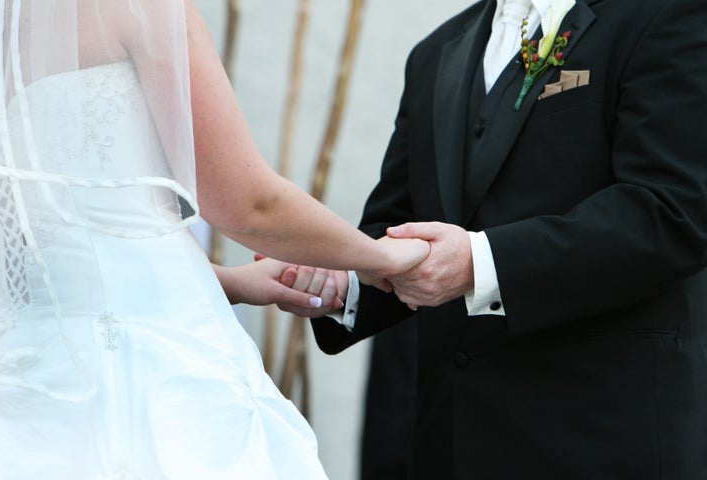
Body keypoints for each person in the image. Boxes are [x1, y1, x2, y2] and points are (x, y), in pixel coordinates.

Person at [0, 0, 428, 478]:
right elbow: (247, 205)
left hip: (31, 371)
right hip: (160, 367)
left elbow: (36, 254)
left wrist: (225, 280)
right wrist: (378, 256)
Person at [274, 0, 707, 478]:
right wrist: (342, 279)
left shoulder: (665, 14)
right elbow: (398, 223)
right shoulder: (435, 53)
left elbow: (672, 210)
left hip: (602, 442)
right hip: (453, 447)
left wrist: (479, 265)